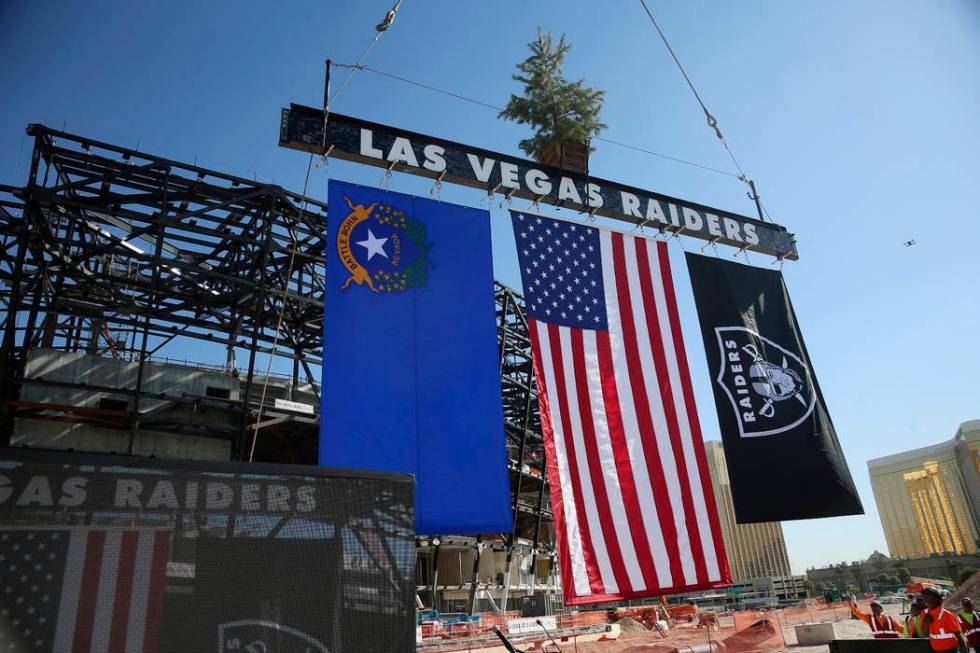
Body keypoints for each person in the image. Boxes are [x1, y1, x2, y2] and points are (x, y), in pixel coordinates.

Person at [921, 586, 968, 652]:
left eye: (928, 595)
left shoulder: (947, 614)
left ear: (936, 598)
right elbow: (924, 634)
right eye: (924, 595)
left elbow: (958, 635)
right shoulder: (924, 613)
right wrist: (925, 624)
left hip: (950, 650)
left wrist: (964, 649)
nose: (925, 598)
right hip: (934, 649)